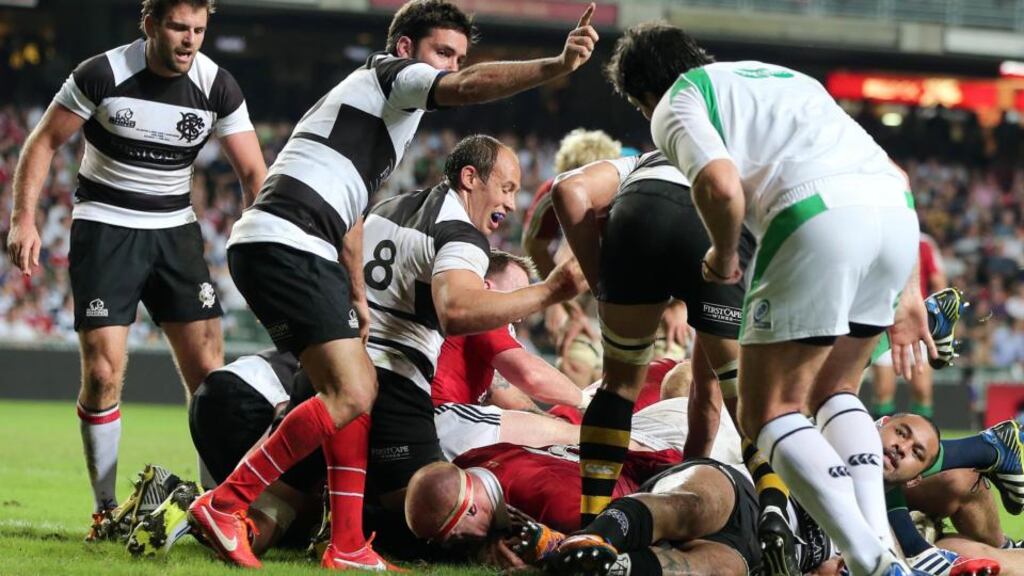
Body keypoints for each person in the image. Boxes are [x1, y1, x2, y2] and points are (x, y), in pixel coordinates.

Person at [187, 0, 599, 569]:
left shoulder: (382, 127)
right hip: (292, 239)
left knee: (354, 391)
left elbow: (353, 215)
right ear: (405, 49)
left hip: (287, 241)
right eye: (443, 53)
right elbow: (467, 90)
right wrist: (555, 66)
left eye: (459, 57)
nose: (452, 67)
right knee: (354, 393)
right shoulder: (392, 77)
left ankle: (346, 544)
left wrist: (356, 295)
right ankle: (225, 504)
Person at [601, 22, 934, 576]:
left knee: (766, 411)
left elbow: (721, 186)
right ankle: (883, 542)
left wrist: (722, 253)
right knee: (836, 390)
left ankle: (870, 561)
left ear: (643, 96)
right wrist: (912, 292)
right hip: (896, 218)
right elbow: (896, 174)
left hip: (815, 217)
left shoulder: (679, 99)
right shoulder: (789, 80)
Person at [5, 0, 266, 536]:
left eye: (199, 29)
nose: (189, 39)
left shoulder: (218, 86)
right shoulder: (102, 73)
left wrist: (260, 244)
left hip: (176, 232)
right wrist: (23, 219)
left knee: (210, 376)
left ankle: (215, 511)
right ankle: (105, 510)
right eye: (178, 27)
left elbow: (252, 173)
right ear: (150, 24)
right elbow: (44, 141)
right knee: (103, 374)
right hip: (105, 228)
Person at [360, 135, 585, 512]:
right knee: (427, 510)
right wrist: (549, 293)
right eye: (506, 189)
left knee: (309, 490)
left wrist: (545, 416)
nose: (511, 203)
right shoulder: (466, 255)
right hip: (404, 391)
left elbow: (506, 392)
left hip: (353, 367)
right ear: (469, 178)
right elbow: (523, 368)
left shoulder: (389, 208)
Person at [432, 250, 590, 459]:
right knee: (587, 437)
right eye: (520, 293)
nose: (523, 312)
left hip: (444, 421)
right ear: (486, 287)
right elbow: (530, 375)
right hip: (441, 418)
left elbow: (503, 393)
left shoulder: (469, 333)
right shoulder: (485, 308)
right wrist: (586, 401)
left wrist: (548, 421)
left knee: (561, 439)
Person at [871, 234, 948, 419]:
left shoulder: (924, 243)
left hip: (916, 324)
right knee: (883, 390)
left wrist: (937, 321)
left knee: (922, 389)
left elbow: (939, 283)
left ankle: (922, 434)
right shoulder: (877, 237)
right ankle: (882, 436)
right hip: (883, 324)